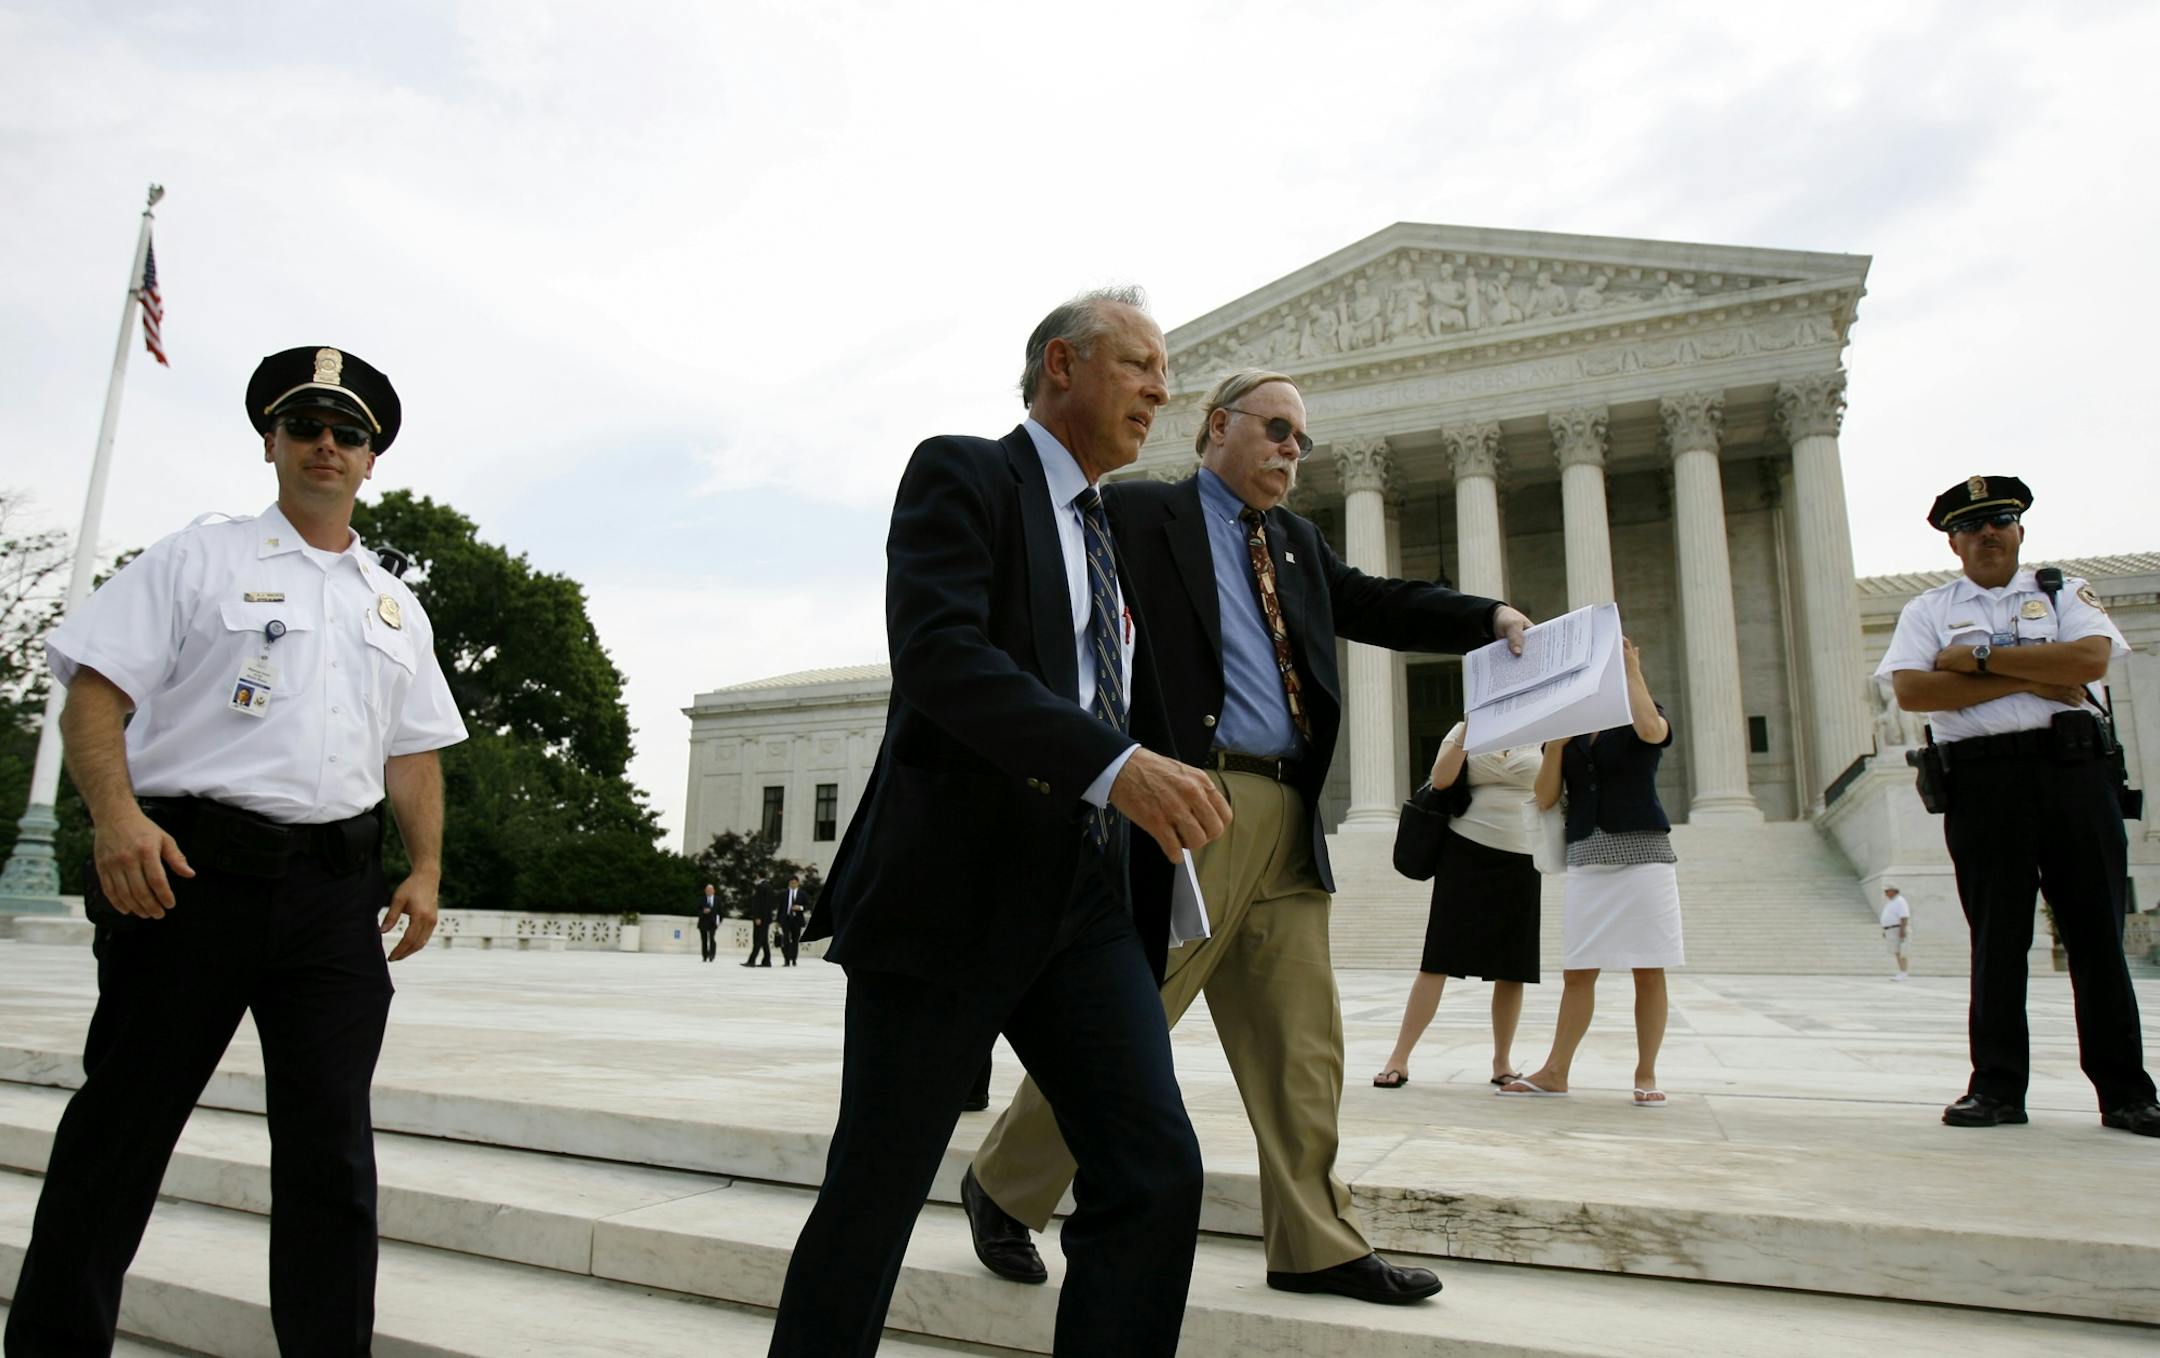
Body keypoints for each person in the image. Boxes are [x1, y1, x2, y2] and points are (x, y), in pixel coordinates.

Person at [962, 367, 1529, 1306]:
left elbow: (1377, 602)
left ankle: (1315, 1242)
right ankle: (1005, 1186)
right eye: (1275, 431)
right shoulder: (1140, 516)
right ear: (1217, 428)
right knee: (1131, 1024)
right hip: (1189, 800)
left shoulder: (1298, 545)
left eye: (1300, 442)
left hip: (1289, 816)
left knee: (1302, 1043)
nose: (1289, 453)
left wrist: (1487, 618)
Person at [768, 288, 1232, 1357]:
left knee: (1153, 1166)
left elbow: (1128, 691)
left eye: (1166, 375)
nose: (1162, 391)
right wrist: (1113, 764)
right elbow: (940, 656)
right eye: (1142, 366)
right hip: (949, 889)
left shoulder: (1110, 533)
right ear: (1062, 365)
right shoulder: (964, 474)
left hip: (1080, 899)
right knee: (875, 1191)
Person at [5, 346, 468, 1356]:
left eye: (348, 431)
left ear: (370, 456)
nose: (326, 444)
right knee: (119, 1137)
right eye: (305, 424)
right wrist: (115, 817)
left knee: (332, 1157)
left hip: (335, 901)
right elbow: (95, 689)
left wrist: (425, 867)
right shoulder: (196, 559)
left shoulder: (393, 603)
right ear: (272, 440)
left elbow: (416, 747)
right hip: (188, 881)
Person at [1876, 475, 2157, 1136]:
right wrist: (2036, 671)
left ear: (2021, 529)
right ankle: (1997, 1088)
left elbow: (2089, 661)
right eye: (1973, 526)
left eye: (2001, 520)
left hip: (2072, 774)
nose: (1988, 534)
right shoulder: (1928, 609)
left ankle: (2126, 1093)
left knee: (2097, 938)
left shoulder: (2062, 593)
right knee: (1997, 940)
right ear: (1954, 540)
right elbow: (1914, 691)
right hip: (1982, 784)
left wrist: (1974, 661)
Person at [1501, 637, 1680, 1108]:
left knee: (1649, 968)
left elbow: (1651, 732)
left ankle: (1645, 1072)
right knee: (1578, 972)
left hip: (1643, 853)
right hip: (1587, 855)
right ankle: (1555, 1071)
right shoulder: (1570, 733)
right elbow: (1543, 796)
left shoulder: (1640, 712)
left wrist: (1631, 669)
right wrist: (1556, 744)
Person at [1375, 721, 1543, 1090]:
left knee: (1514, 966)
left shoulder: (1542, 726)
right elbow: (1441, 779)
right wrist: (1472, 724)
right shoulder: (1467, 725)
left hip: (1522, 855)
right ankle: (1399, 1056)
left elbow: (1550, 789)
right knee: (1438, 957)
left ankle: (1502, 1060)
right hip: (1463, 850)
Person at [1880, 885, 1911, 980]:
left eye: (1887, 891)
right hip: (1891, 929)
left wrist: (1902, 931)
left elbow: (1904, 917)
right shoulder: (1891, 902)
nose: (1885, 893)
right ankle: (1901, 971)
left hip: (1898, 929)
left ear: (1894, 891)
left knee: (1901, 951)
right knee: (1896, 951)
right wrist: (1886, 930)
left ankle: (1903, 972)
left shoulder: (1900, 901)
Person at [742, 879, 774, 967]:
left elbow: (759, 903)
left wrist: (758, 917)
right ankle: (767, 961)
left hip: (761, 918)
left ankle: (752, 960)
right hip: (767, 918)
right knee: (764, 941)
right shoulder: (770, 887)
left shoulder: (760, 887)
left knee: (758, 939)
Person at [778, 874, 805, 966]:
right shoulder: (784, 893)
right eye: (791, 883)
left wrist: (800, 907)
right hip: (786, 919)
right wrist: (778, 921)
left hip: (797, 920)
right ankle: (786, 960)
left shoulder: (802, 894)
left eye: (794, 883)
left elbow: (809, 905)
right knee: (785, 940)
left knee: (795, 940)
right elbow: (780, 907)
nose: (793, 885)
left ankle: (794, 959)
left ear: (798, 883)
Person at [696, 883, 720, 963]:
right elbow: (697, 910)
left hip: (713, 923)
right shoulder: (701, 899)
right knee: (704, 940)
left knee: (712, 939)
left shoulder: (718, 900)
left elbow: (721, 912)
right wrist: (703, 911)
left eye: (710, 890)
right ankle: (705, 956)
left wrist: (719, 921)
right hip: (703, 922)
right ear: (705, 891)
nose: (709, 891)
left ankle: (712, 955)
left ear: (714, 891)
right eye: (707, 890)